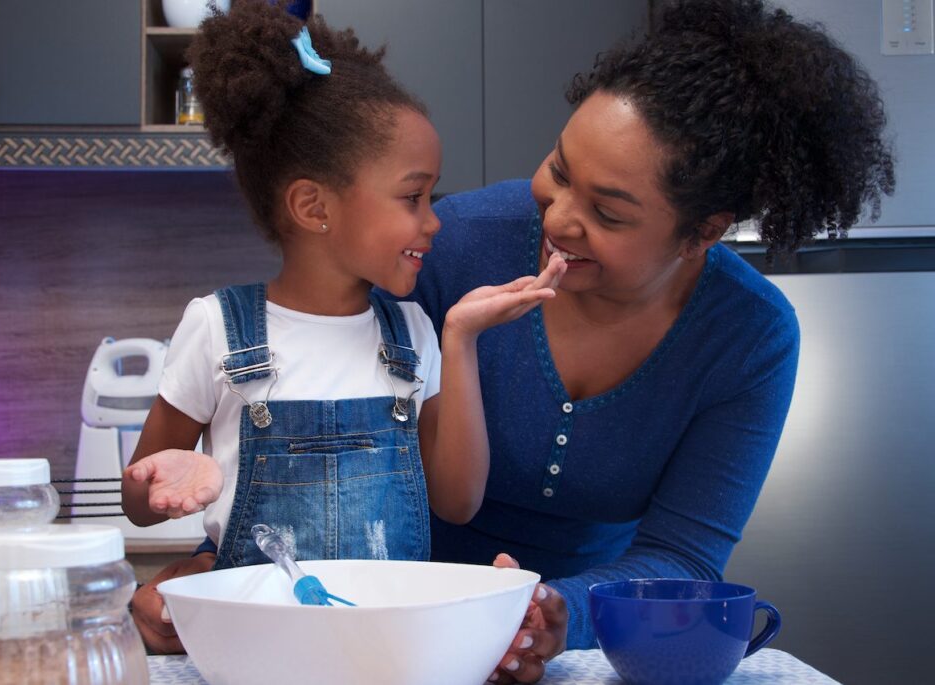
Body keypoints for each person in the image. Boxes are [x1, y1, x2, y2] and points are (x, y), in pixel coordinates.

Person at [130, 1, 895, 681]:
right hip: (391, 637)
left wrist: (557, 610)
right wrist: (229, 567)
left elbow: (684, 557)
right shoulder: (454, 246)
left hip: (575, 646)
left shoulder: (750, 335)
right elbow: (316, 396)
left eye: (610, 211)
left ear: (701, 233)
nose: (559, 217)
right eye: (559, 169)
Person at [122, 0, 564, 623]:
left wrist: (460, 339)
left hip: (386, 645)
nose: (434, 220)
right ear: (313, 206)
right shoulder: (216, 327)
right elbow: (137, 505)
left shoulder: (414, 333)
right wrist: (156, 482)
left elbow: (459, 502)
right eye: (413, 196)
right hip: (255, 645)